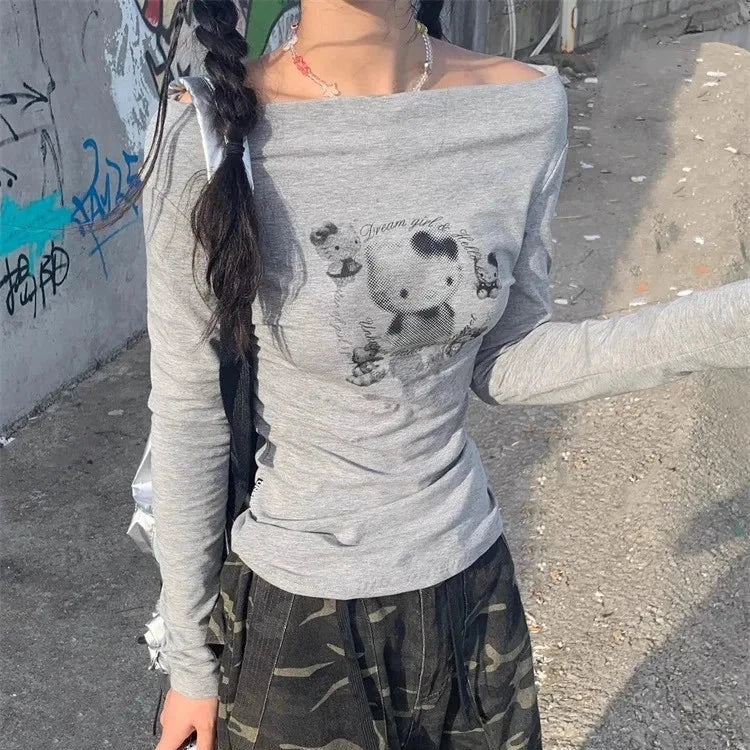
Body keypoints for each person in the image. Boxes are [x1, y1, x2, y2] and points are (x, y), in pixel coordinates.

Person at [111, 0, 749, 748]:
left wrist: (725, 324)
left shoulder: (524, 109)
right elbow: (191, 415)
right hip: (297, 617)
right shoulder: (204, 135)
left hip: (470, 596)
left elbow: (508, 354)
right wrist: (192, 666)